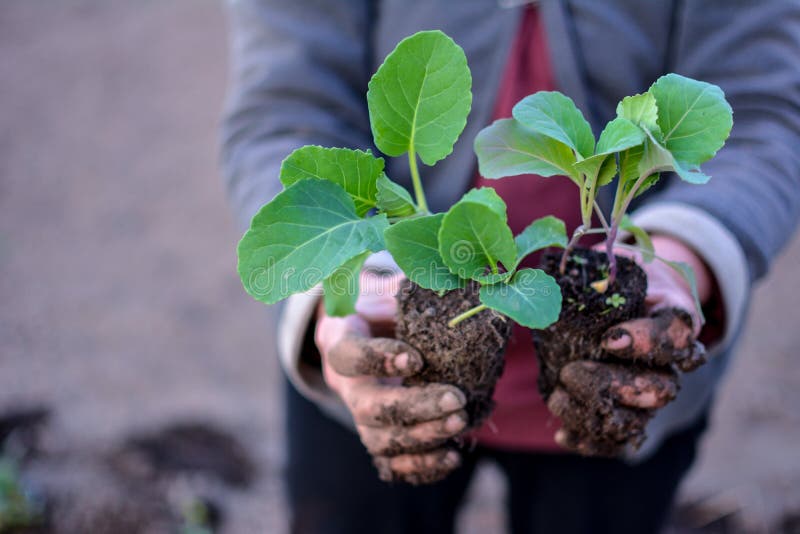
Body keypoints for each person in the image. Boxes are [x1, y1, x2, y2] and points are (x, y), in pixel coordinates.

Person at [221, 1, 800, 532]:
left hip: (621, 368)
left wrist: (679, 257)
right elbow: (287, 105)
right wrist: (339, 291)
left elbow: (762, 117)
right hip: (383, 347)